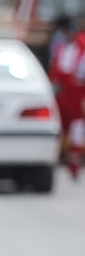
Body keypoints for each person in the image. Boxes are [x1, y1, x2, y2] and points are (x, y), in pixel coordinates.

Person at [48, 21, 85, 179]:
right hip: (62, 93)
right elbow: (56, 68)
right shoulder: (61, 47)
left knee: (77, 126)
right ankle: (56, 157)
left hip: (76, 93)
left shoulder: (81, 47)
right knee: (59, 125)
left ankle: (74, 159)